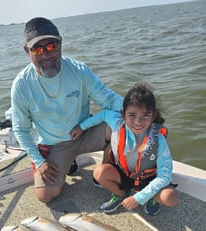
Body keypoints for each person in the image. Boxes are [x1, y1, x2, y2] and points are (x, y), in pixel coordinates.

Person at [11, 17, 123, 204]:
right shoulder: (21, 86)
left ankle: (102, 174)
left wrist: (139, 114)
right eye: (38, 49)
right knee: (46, 196)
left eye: (51, 46)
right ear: (26, 51)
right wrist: (40, 162)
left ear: (61, 43)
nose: (46, 54)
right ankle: (67, 162)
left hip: (84, 131)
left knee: (122, 126)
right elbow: (20, 130)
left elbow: (109, 99)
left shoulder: (80, 70)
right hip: (55, 144)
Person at [71, 82, 179, 215]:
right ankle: (120, 194)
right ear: (123, 115)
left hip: (149, 179)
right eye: (132, 115)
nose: (138, 122)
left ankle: (152, 198)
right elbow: (103, 114)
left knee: (170, 197)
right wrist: (81, 127)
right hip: (125, 175)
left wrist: (138, 198)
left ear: (153, 116)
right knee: (99, 172)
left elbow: (165, 176)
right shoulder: (116, 123)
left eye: (145, 115)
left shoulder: (159, 139)